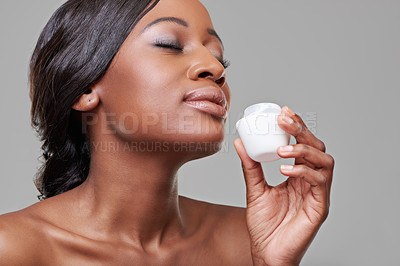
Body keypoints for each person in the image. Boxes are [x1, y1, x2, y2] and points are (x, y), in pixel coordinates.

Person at [0, 0, 335, 265]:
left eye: (219, 57)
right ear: (84, 88)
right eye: (170, 44)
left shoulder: (249, 238)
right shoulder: (13, 248)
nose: (216, 69)